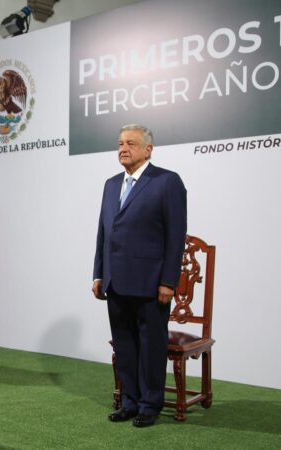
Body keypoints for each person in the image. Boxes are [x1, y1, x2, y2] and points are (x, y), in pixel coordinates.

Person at [92, 124, 187, 428]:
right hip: (115, 281)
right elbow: (103, 233)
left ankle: (151, 403)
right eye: (120, 143)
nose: (123, 148)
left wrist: (169, 281)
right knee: (125, 346)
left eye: (130, 143)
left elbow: (176, 236)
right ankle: (129, 402)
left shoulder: (167, 182)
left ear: (148, 149)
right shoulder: (110, 184)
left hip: (150, 283)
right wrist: (98, 273)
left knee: (151, 347)